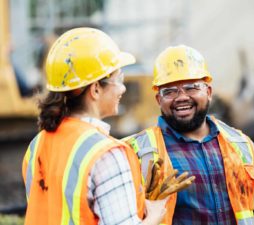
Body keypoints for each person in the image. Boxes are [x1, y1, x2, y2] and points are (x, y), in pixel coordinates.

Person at [22, 27, 169, 225]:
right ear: (96, 89)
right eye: (119, 79)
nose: (123, 88)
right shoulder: (106, 154)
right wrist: (154, 216)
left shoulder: (37, 144)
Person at [123, 45, 254, 225]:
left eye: (191, 87)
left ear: (208, 92)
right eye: (170, 91)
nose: (181, 97)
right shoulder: (136, 153)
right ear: (159, 100)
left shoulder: (241, 145)